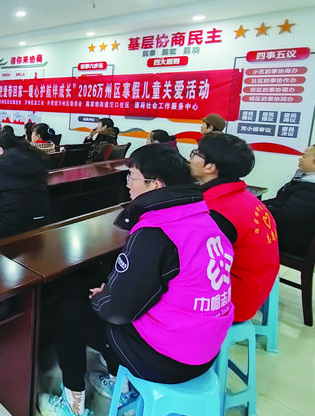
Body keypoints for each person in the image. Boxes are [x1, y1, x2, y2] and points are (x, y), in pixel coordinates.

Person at [38, 144, 235, 416]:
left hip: (169, 359)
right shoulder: (206, 218)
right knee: (107, 295)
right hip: (206, 347)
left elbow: (119, 312)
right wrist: (113, 291)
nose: (128, 183)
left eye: (132, 176)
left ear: (156, 185)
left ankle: (73, 404)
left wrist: (104, 297)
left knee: (70, 311)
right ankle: (120, 383)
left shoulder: (156, 233)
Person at [190, 133, 279, 322]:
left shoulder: (218, 212)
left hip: (232, 302)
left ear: (210, 167)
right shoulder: (245, 199)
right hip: (254, 290)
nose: (191, 157)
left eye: (196, 153)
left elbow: (190, 261)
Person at [0, 131, 49, 240]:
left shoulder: (2, 163)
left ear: (0, 150)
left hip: (10, 230)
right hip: (40, 225)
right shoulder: (35, 158)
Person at [263, 145, 315, 257]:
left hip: (292, 241)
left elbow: (285, 216)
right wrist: (259, 205)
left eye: (305, 156)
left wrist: (260, 210)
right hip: (289, 233)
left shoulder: (310, 190)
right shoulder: (303, 180)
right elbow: (280, 200)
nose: (300, 159)